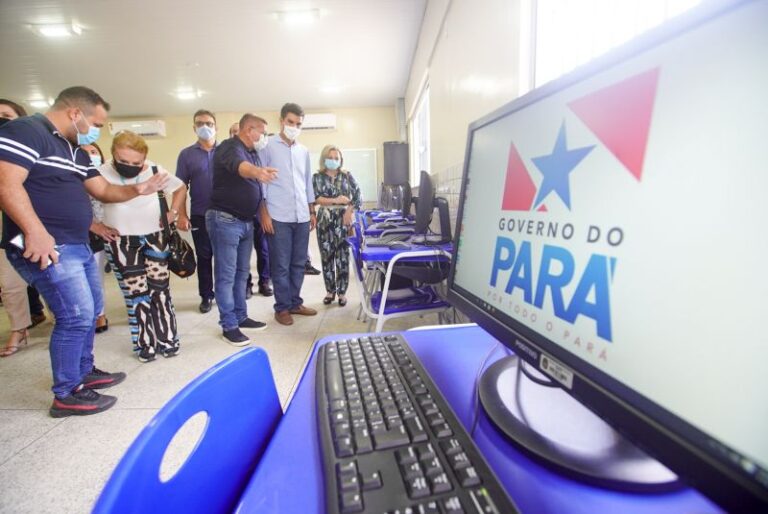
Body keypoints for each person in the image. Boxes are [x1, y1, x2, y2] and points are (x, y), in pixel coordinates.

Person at [0, 86, 170, 417]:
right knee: (74, 315)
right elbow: (6, 184)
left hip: (76, 243)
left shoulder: (75, 150)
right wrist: (36, 232)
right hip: (45, 245)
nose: (96, 130)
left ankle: (84, 373)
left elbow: (103, 190)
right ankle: (66, 393)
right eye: (95, 121)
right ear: (75, 113)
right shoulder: (25, 130)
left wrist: (141, 188)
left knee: (89, 312)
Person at [100, 131, 186, 362]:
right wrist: (95, 226)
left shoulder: (155, 170)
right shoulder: (101, 173)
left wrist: (173, 213)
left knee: (160, 291)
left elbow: (180, 188)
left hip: (155, 237)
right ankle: (144, 344)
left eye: (136, 163)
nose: (130, 166)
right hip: (122, 241)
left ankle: (168, 339)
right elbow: (81, 201)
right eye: (124, 161)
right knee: (136, 295)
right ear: (113, 155)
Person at [206, 114, 277, 345]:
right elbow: (241, 168)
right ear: (249, 129)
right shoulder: (229, 147)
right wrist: (258, 172)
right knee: (226, 275)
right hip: (225, 219)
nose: (264, 137)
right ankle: (229, 325)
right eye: (262, 132)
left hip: (246, 221)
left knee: (241, 273)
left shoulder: (253, 152)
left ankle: (240, 316)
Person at [259, 103, 318, 326]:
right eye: (291, 122)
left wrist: (312, 210)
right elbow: (260, 182)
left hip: (302, 215)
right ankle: (282, 307)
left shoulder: (303, 151)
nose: (294, 127)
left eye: (298, 124)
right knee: (280, 265)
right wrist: (263, 212)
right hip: (278, 216)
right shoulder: (267, 147)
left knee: (298, 263)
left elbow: (307, 182)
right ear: (282, 121)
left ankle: (294, 302)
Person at [0, 98, 46, 357]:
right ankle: (19, 330)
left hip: (46, 231)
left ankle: (61, 325)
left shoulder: (35, 153)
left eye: (7, 115)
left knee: (56, 286)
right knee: (11, 285)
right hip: (11, 234)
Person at [175, 109, 217, 313]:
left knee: (228, 258)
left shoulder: (226, 151)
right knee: (204, 257)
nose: (205, 127)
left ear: (215, 126)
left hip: (226, 216)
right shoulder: (186, 155)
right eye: (200, 123)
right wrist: (181, 214)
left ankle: (231, 294)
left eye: (209, 123)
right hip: (200, 215)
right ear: (194, 127)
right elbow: (181, 187)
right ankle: (206, 295)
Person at [312, 145, 362, 307]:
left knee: (342, 257)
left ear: (341, 160)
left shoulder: (347, 176)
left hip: (343, 220)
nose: (333, 160)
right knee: (327, 257)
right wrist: (336, 200)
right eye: (330, 157)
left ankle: (342, 293)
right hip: (324, 219)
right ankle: (330, 291)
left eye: (336, 158)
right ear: (324, 159)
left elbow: (358, 196)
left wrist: (349, 210)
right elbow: (316, 198)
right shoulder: (317, 177)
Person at [82, 142, 119, 333]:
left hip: (114, 230)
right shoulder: (74, 177)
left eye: (94, 151)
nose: (90, 155)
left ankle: (101, 314)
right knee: (92, 278)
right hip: (88, 232)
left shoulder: (110, 176)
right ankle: (97, 315)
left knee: (104, 276)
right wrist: (94, 226)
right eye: (85, 153)